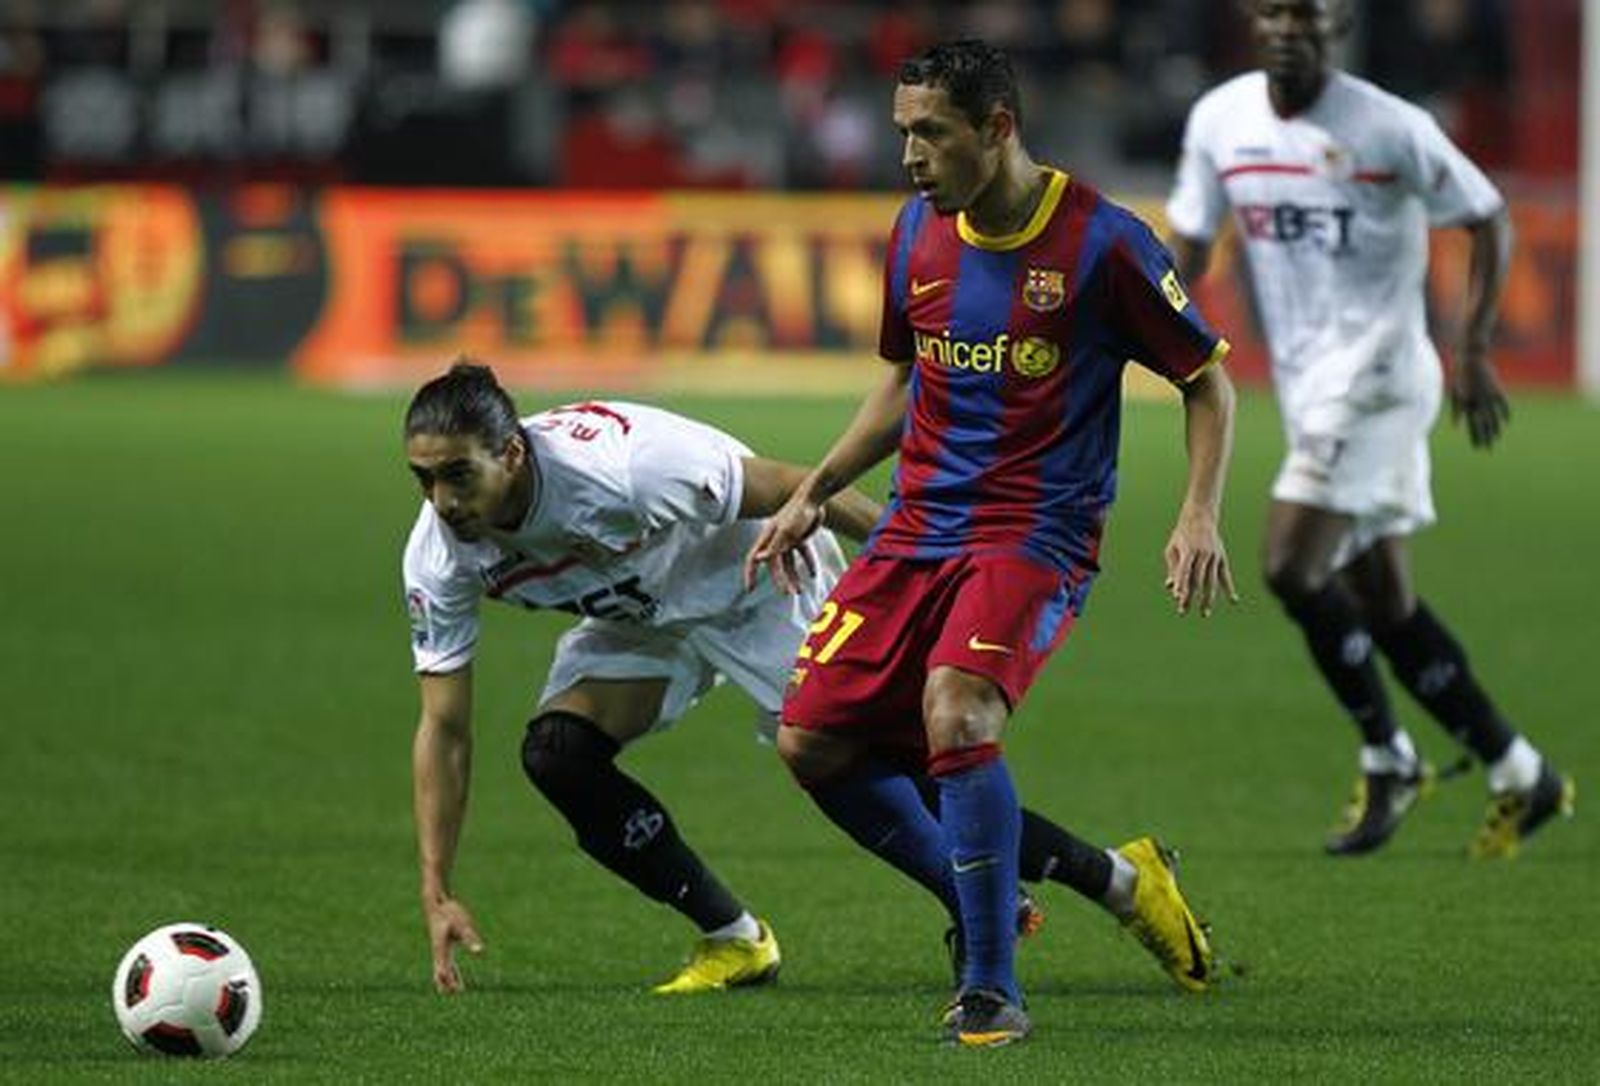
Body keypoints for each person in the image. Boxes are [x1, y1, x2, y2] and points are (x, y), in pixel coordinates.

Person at [401, 361, 1215, 997]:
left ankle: (1120, 880)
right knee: (559, 755)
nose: (442, 501)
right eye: (425, 480)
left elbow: (800, 487)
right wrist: (437, 888)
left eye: (458, 476)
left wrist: (921, 578)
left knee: (869, 766)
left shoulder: (625, 466)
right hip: (642, 617)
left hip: (760, 580)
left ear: (512, 453)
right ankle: (735, 940)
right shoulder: (441, 553)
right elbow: (444, 728)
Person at [746, 39, 1237, 1046]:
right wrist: (815, 491)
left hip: (1035, 532)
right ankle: (1047, 890)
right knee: (811, 741)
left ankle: (989, 985)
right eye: (903, 133)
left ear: (997, 127)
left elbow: (1206, 381)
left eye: (931, 133)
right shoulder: (914, 233)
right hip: (917, 525)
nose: (909, 157)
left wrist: (1198, 512)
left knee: (957, 710)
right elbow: (902, 383)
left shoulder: (1105, 243)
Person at [1165, 0, 1575, 858]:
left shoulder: (1391, 127)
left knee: (1289, 564)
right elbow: (1191, 244)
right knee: (1385, 602)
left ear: (1338, 25)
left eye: (1307, 15)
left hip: (1381, 376)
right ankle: (1519, 769)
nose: (1288, 28)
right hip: (1309, 386)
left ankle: (1389, 755)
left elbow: (1487, 214)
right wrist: (1135, 320)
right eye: (1275, 12)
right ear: (1254, 21)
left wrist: (1473, 348)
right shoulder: (1221, 119)